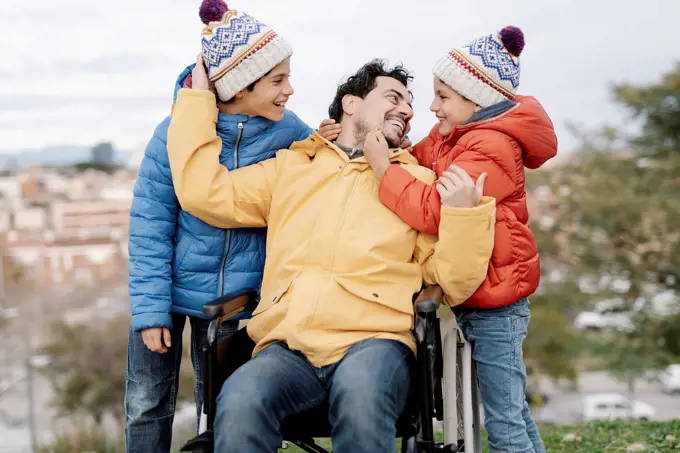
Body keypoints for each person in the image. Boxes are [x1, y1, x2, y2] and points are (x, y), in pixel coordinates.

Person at [166, 58, 497, 453]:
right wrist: (197, 99)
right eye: (394, 97)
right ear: (351, 104)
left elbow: (452, 282)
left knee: (360, 396)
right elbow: (205, 192)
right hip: (287, 345)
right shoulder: (292, 167)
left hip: (376, 342)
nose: (408, 111)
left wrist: (464, 216)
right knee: (240, 398)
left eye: (410, 104)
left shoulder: (418, 181)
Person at [322, 26, 558, 453]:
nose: (432, 107)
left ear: (476, 100)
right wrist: (354, 139)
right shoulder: (457, 136)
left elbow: (434, 211)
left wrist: (382, 170)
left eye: (443, 96)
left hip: (498, 302)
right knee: (512, 409)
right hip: (483, 295)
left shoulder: (492, 146)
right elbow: (418, 158)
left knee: (503, 420)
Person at [124, 1, 312, 452]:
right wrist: (150, 311)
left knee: (222, 405)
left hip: (237, 303)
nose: (290, 90)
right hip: (166, 295)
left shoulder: (290, 132)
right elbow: (149, 227)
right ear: (240, 87)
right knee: (147, 403)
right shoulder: (172, 134)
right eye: (277, 80)